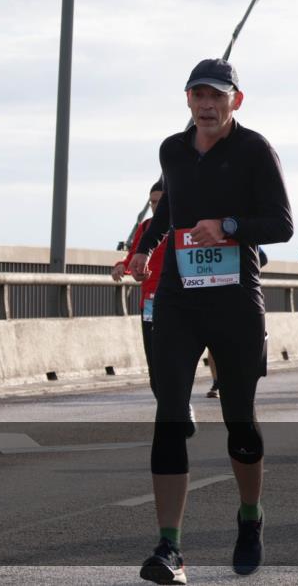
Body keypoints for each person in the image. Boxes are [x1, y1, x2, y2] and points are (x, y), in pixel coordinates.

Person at [129, 59, 293, 583]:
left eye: (217, 96)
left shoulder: (255, 150)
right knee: (170, 413)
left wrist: (226, 227)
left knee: (239, 419)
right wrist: (145, 249)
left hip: (235, 300)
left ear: (235, 102)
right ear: (187, 99)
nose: (207, 104)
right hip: (179, 300)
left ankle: (249, 518)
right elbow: (168, 210)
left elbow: (282, 225)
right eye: (198, 94)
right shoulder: (172, 150)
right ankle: (169, 548)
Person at [113, 181, 196, 437]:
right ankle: (176, 410)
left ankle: (178, 412)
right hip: (150, 303)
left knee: (176, 364)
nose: (156, 207)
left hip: (182, 302)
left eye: (161, 202)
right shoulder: (147, 228)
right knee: (155, 369)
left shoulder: (187, 227)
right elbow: (134, 258)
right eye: (152, 203)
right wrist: (122, 267)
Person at [205, 248, 268, 400]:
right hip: (211, 294)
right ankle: (217, 382)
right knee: (213, 343)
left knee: (238, 345)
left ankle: (238, 383)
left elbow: (263, 257)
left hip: (240, 296)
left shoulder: (234, 231)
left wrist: (247, 270)